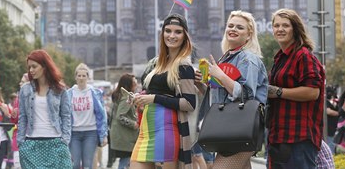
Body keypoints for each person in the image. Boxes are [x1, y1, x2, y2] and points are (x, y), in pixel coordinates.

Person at [130, 13, 198, 169]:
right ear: (162, 34)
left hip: (166, 129)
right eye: (168, 31)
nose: (172, 36)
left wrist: (154, 98)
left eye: (178, 32)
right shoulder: (157, 64)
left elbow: (189, 103)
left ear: (184, 36)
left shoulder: (184, 66)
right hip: (145, 131)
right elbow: (152, 92)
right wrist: (140, 98)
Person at [206, 10, 268, 168]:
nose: (233, 29)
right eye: (230, 25)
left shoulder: (248, 58)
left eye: (239, 27)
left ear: (249, 35)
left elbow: (247, 96)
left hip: (240, 129)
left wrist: (221, 75)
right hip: (231, 130)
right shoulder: (229, 57)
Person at [267, 8, 325, 169]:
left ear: (295, 29)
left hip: (299, 137)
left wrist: (278, 92)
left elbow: (313, 92)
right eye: (276, 25)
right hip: (278, 136)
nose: (280, 29)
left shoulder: (303, 55)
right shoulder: (280, 57)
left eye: (285, 25)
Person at [17, 49, 72, 169]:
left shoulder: (60, 90)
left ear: (45, 66)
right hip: (31, 144)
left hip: (56, 144)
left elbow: (66, 116)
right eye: (29, 67)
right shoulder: (25, 89)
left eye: (34, 66)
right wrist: (21, 142)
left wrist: (65, 140)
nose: (31, 70)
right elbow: (22, 117)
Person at [67, 63, 108, 169]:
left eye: (84, 75)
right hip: (74, 133)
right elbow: (64, 115)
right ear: (75, 77)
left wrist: (104, 135)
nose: (81, 78)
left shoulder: (95, 93)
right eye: (79, 75)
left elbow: (102, 115)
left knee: (88, 165)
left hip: (91, 132)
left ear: (87, 77)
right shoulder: (69, 94)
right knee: (74, 164)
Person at [110, 73, 139, 169]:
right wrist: (133, 124)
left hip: (120, 136)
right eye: (134, 83)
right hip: (125, 138)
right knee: (125, 162)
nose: (137, 85)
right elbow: (120, 116)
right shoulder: (126, 97)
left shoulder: (119, 95)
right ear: (128, 84)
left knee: (124, 162)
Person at [325, 86, 338, 154]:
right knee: (330, 146)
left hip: (334, 128)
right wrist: (338, 113)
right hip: (328, 129)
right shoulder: (325, 101)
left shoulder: (334, 102)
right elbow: (328, 111)